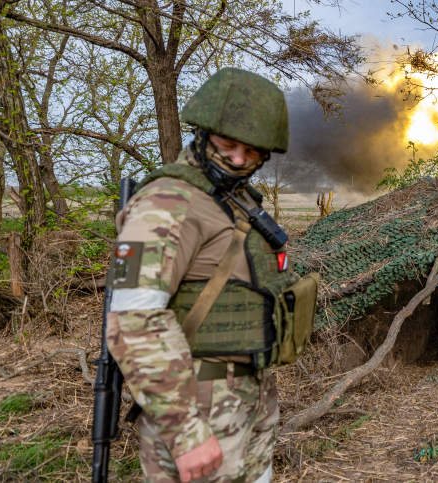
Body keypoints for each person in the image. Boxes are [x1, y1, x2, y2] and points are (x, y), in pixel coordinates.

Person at [106, 68, 298, 483]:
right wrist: (184, 430)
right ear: (203, 131)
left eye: (253, 151)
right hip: (198, 405)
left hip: (247, 398)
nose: (239, 159)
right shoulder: (168, 201)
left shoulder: (235, 200)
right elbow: (135, 321)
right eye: (228, 144)